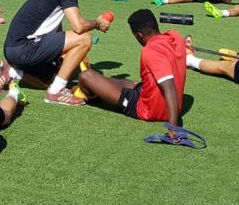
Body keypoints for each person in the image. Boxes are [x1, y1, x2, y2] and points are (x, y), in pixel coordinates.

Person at [0, 0, 110, 106]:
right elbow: (79, 26)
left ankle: (10, 71)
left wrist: (58, 56)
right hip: (24, 48)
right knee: (84, 39)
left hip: (14, 49)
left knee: (53, 79)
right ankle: (56, 92)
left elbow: (55, 25)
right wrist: (97, 23)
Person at [76, 10, 187, 141]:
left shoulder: (150, 50)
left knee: (85, 76)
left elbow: (169, 87)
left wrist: (173, 128)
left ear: (139, 35)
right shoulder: (176, 37)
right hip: (168, 104)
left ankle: (94, 97)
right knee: (126, 83)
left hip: (148, 110)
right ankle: (106, 89)